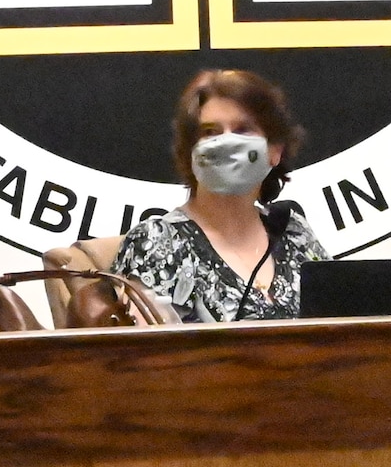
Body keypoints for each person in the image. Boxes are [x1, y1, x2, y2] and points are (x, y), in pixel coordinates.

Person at [112, 68, 327, 322]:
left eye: (243, 129)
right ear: (191, 152)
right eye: (210, 132)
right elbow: (148, 355)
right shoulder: (156, 242)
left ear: (275, 151)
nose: (226, 143)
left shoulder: (293, 233)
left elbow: (345, 331)